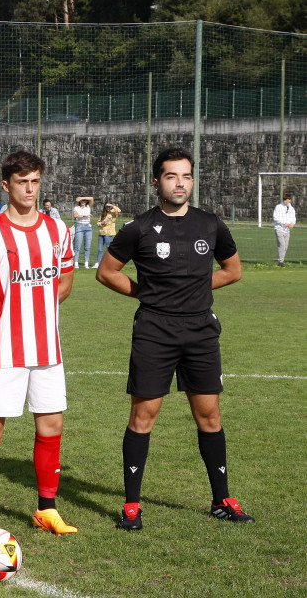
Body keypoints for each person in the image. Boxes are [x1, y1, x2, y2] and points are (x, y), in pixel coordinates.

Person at [95, 147, 254, 531]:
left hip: (200, 331)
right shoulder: (139, 227)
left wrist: (197, 287)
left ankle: (222, 500)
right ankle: (132, 505)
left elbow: (232, 270)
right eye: (171, 176)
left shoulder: (211, 224)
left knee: (210, 416)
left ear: (192, 180)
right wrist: (146, 292)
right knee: (143, 416)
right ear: (156, 182)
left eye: (186, 176)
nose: (180, 183)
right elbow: (106, 272)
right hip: (154, 331)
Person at [0, 150, 78, 539]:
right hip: (3, 351)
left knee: (51, 424)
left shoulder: (58, 230)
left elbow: (66, 279)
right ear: (6, 185)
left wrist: (38, 311)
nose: (29, 189)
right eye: (22, 182)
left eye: (35, 181)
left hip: (47, 350)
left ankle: (46, 509)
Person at [94, 201, 121, 268]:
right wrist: (102, 223)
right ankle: (98, 263)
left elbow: (118, 210)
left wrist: (112, 205)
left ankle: (110, 263)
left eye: (109, 206)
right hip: (102, 233)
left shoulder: (113, 213)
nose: (108, 208)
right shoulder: (103, 213)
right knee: (100, 249)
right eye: (107, 206)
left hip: (108, 233)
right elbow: (98, 222)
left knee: (109, 249)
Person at [272, 196, 296, 267]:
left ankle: (281, 260)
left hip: (287, 230)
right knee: (282, 245)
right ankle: (281, 261)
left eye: (287, 199)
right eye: (284, 199)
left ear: (290, 200)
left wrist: (292, 224)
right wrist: (283, 223)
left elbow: (293, 218)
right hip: (279, 229)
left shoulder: (291, 209)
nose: (285, 201)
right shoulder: (278, 207)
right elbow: (275, 217)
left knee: (285, 246)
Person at [72, 196, 93, 269]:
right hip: (80, 226)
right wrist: (84, 215)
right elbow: (75, 215)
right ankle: (76, 262)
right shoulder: (76, 208)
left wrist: (81, 198)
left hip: (88, 226)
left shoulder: (88, 207)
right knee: (77, 246)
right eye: (81, 201)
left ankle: (86, 263)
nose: (83, 202)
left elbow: (92, 198)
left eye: (84, 200)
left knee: (87, 246)